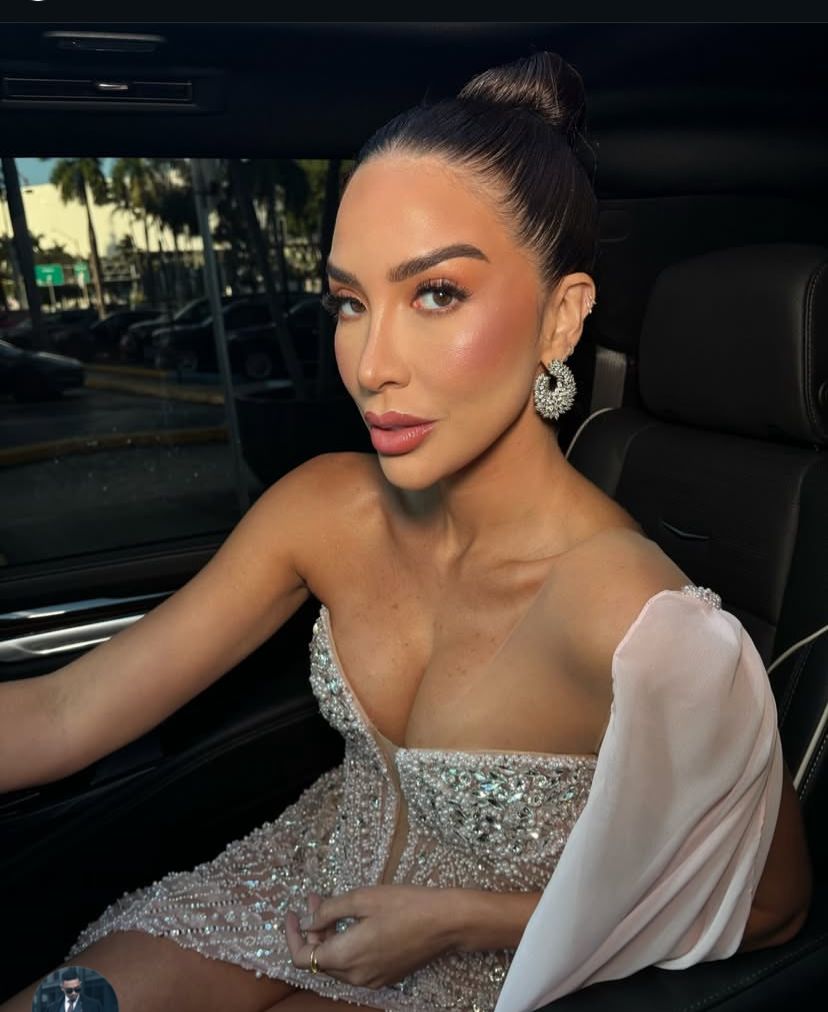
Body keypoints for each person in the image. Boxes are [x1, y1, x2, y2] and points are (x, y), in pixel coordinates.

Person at [0, 51, 812, 1012]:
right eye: (351, 302)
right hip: (288, 884)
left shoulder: (636, 617)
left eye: (436, 294)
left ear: (562, 319)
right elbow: (64, 712)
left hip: (481, 960)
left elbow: (773, 912)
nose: (371, 364)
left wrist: (464, 919)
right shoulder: (325, 508)